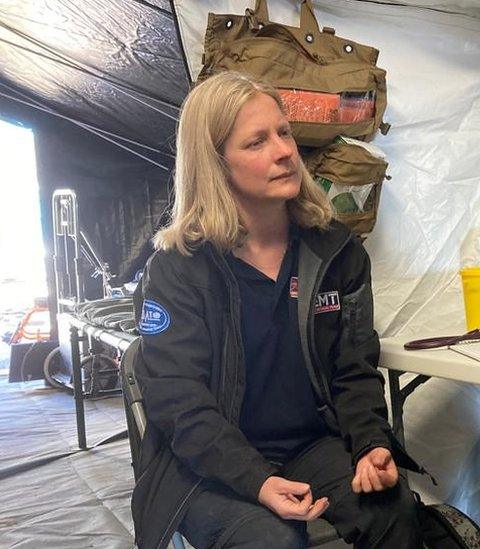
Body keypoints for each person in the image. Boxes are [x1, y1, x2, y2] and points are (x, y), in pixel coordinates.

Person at [130, 71, 424, 549]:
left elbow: (354, 369)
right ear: (216, 164)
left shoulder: (336, 252)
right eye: (256, 142)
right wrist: (258, 481)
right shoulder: (178, 269)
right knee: (271, 541)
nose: (284, 151)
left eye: (283, 132)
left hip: (311, 446)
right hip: (206, 466)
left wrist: (372, 443)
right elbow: (177, 400)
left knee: (394, 512)